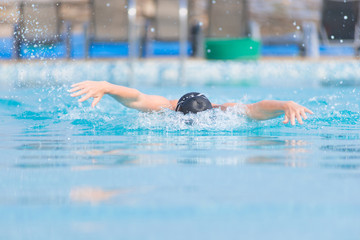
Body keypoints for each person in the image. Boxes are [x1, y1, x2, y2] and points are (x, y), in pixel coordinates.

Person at [69, 80, 314, 125]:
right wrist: (107, 87)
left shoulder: (222, 109)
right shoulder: (163, 106)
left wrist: (285, 104)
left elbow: (255, 108)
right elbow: (137, 97)